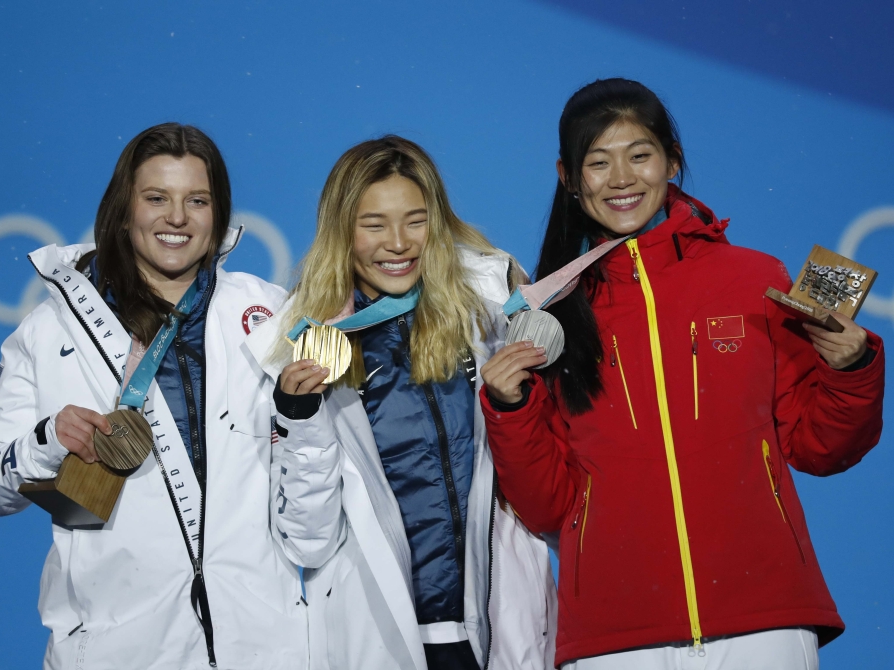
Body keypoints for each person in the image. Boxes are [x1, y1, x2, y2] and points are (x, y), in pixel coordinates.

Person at [479, 78, 885, 670]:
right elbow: (547, 507)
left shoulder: (752, 278)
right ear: (568, 176)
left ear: (672, 160)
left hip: (763, 618)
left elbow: (819, 447)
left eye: (640, 155)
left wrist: (852, 369)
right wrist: (512, 411)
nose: (622, 179)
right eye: (598, 162)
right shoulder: (547, 311)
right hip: (614, 636)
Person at [0, 123, 307, 669]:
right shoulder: (51, 330)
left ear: (217, 214)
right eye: (156, 199)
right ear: (124, 209)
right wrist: (47, 440)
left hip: (262, 642)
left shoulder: (266, 314)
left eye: (197, 200)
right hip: (116, 648)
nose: (177, 217)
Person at [245, 136, 557, 670]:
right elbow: (308, 541)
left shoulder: (489, 309)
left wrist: (527, 381)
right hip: (379, 636)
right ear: (342, 231)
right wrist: (302, 419)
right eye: (374, 225)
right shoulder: (296, 347)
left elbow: (544, 481)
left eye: (415, 220)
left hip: (502, 625)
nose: (398, 243)